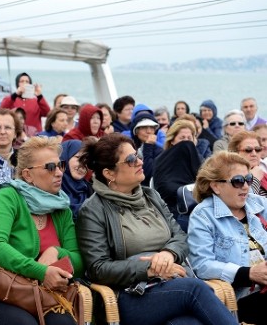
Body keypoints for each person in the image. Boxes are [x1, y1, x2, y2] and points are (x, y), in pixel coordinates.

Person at [76, 133, 238, 325]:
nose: (139, 161)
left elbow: (179, 235)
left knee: (187, 323)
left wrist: (168, 254)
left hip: (170, 285)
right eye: (130, 159)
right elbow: (98, 269)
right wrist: (150, 269)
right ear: (109, 173)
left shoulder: (150, 196)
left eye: (137, 155)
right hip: (129, 295)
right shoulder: (93, 210)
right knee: (194, 289)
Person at [0, 136, 84, 325]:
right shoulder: (8, 196)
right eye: (50, 167)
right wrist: (41, 271)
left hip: (43, 292)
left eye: (60, 165)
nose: (59, 172)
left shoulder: (61, 206)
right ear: (27, 175)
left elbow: (78, 259)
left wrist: (56, 251)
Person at [188, 151, 267, 325]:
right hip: (242, 297)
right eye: (238, 181)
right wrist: (249, 273)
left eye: (248, 179)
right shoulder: (203, 215)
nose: (246, 186)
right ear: (216, 186)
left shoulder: (259, 204)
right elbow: (202, 265)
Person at [153, 120, 202, 230]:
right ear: (172, 141)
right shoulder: (162, 161)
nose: (186, 142)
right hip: (174, 214)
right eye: (182, 138)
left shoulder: (199, 159)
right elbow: (164, 189)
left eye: (189, 138)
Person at [129, 108, 163, 186]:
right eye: (144, 127)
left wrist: (148, 146)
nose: (149, 131)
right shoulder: (129, 148)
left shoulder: (160, 151)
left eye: (152, 128)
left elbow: (148, 173)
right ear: (136, 131)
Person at [60, 140, 92, 221]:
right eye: (78, 158)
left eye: (86, 161)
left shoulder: (90, 191)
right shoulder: (52, 189)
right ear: (65, 157)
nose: (82, 166)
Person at [228, 131, 266, 197]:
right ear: (235, 153)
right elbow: (244, 202)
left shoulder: (263, 173)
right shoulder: (229, 176)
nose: (254, 154)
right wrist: (255, 180)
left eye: (258, 149)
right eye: (248, 150)